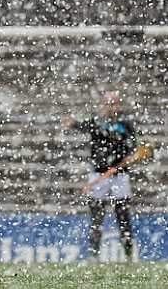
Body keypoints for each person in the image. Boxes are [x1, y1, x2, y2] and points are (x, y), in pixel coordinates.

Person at [62, 91, 139, 262]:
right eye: (107, 104)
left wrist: (130, 155)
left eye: (113, 104)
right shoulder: (96, 122)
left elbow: (135, 147)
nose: (110, 107)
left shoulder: (126, 125)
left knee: (123, 217)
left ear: (118, 105)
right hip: (98, 175)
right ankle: (93, 255)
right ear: (103, 105)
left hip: (120, 175)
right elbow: (80, 125)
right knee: (96, 217)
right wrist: (71, 123)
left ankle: (129, 255)